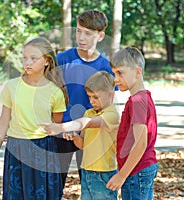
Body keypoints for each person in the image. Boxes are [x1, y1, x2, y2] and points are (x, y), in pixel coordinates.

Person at [0, 37, 68, 200]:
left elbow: (55, 126)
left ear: (46, 61)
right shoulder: (11, 86)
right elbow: (2, 125)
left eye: (33, 58)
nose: (27, 62)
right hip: (16, 148)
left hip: (44, 151)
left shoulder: (55, 92)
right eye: (24, 58)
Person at [56, 9, 115, 189]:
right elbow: (49, 96)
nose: (81, 37)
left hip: (91, 134)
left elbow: (109, 104)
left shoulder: (106, 66)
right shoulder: (61, 60)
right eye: (78, 31)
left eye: (88, 33)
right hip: (62, 132)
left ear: (100, 36)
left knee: (91, 185)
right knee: (54, 186)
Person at [41, 71, 120, 199]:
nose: (91, 101)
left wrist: (61, 127)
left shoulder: (112, 115)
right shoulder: (89, 113)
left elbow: (87, 123)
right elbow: (83, 144)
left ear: (110, 95)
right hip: (86, 170)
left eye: (95, 97)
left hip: (104, 173)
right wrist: (75, 138)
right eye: (89, 97)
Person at [106, 47, 159, 200]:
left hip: (136, 171)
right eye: (114, 73)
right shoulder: (141, 98)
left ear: (137, 71)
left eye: (120, 73)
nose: (115, 79)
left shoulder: (138, 101)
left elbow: (141, 143)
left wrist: (121, 175)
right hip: (138, 169)